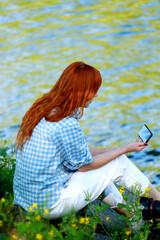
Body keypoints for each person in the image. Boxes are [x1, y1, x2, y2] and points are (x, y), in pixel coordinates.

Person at [13, 61, 160, 220]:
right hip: (50, 205)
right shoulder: (66, 124)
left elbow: (78, 155)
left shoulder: (45, 109)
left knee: (107, 165)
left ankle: (132, 217)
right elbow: (85, 165)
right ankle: (158, 200)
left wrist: (119, 148)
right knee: (118, 162)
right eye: (93, 90)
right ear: (80, 92)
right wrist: (124, 150)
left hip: (27, 199)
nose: (96, 94)